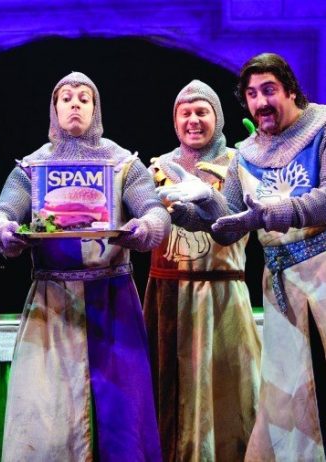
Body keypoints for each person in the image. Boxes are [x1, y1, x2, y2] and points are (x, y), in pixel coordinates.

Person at [0, 71, 170, 460]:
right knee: (46, 415)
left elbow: (155, 212)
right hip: (51, 304)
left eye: (84, 98)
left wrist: (145, 229)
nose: (75, 104)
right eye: (66, 98)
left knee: (122, 417)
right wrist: (4, 232)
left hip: (113, 302)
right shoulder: (32, 167)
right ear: (54, 109)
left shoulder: (123, 164)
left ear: (95, 109)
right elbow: (0, 213)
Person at [157, 53, 326, 460]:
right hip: (281, 286)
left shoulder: (321, 128)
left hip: (323, 272)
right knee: (290, 402)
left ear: (291, 90)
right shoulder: (247, 153)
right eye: (252, 94)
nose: (260, 102)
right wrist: (195, 208)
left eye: (269, 90)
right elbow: (229, 222)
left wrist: (271, 213)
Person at [144, 80, 261, 462]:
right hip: (165, 301)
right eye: (185, 113)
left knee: (228, 397)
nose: (193, 120)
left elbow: (236, 225)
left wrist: (205, 203)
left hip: (221, 298)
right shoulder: (156, 168)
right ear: (175, 120)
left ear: (217, 117)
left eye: (201, 112)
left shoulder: (239, 163)